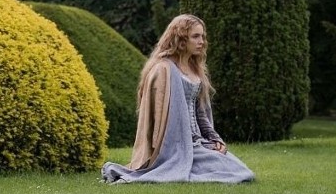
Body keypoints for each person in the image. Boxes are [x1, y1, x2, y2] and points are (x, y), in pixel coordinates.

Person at [102, 14, 255, 183]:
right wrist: (182, 145)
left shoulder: (195, 69)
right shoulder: (162, 70)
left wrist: (214, 138)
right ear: (181, 40)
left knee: (239, 169)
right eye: (195, 36)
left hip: (198, 142)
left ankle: (198, 161)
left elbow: (200, 113)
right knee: (236, 174)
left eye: (203, 36)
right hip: (175, 146)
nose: (201, 41)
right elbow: (157, 119)